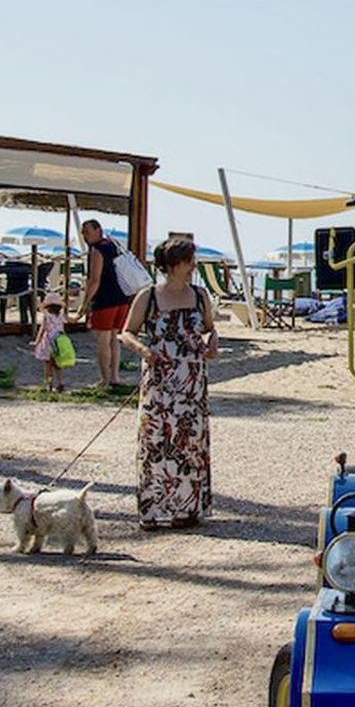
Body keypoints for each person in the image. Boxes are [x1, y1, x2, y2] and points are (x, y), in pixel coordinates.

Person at [118, 235, 218, 528]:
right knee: (156, 442)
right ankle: (153, 510)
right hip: (160, 382)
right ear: (172, 265)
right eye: (188, 261)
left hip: (192, 384)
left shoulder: (200, 296)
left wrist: (212, 343)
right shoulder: (148, 296)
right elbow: (127, 332)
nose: (193, 266)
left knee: (189, 443)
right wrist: (145, 351)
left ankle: (186, 509)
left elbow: (210, 329)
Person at [77, 219, 134, 388]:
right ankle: (114, 376)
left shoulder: (97, 249)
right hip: (122, 296)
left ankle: (105, 379)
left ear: (97, 230)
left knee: (103, 339)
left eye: (87, 231)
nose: (85, 236)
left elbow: (95, 280)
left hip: (105, 298)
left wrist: (85, 303)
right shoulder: (113, 245)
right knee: (114, 339)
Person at [31, 290, 72, 393]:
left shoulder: (47, 316)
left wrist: (37, 341)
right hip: (59, 341)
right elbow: (70, 321)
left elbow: (43, 329)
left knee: (48, 365)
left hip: (48, 341)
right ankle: (60, 383)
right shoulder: (61, 315)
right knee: (58, 365)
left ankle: (48, 384)